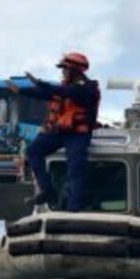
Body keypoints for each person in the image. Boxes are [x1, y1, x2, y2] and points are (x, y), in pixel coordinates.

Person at [16, 52, 101, 211]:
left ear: (75, 70)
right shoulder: (65, 87)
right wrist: (20, 90)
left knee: (75, 169)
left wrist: (39, 82)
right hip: (60, 133)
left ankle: (72, 210)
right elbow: (46, 94)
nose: (62, 72)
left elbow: (66, 92)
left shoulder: (86, 88)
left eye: (65, 69)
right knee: (33, 150)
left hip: (78, 135)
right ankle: (47, 191)